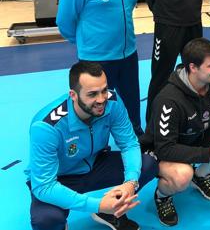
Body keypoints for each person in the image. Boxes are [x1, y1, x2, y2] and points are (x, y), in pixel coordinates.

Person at [26, 61, 158, 230]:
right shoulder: (46, 127)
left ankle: (110, 212)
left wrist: (130, 182)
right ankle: (98, 211)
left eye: (104, 90)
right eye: (92, 94)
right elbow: (43, 186)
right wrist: (98, 204)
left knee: (148, 164)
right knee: (46, 220)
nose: (102, 99)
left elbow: (129, 144)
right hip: (59, 177)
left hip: (95, 163)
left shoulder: (113, 102)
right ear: (73, 95)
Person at [140, 38, 210, 226]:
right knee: (182, 176)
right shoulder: (168, 100)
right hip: (163, 149)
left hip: (198, 136)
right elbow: (165, 148)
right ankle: (162, 196)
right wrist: (209, 154)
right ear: (193, 67)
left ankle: (202, 176)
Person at [57, 0, 142, 135]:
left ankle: (136, 133)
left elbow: (129, 9)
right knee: (96, 105)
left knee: (132, 100)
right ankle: (95, 143)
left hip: (128, 54)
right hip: (96, 60)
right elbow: (65, 22)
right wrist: (87, 42)